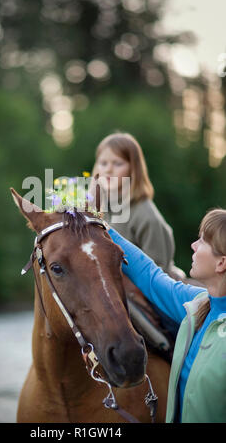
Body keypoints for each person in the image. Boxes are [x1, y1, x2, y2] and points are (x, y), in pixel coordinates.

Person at [108, 208, 226, 423]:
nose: (193, 245)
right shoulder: (198, 302)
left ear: (221, 263)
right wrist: (103, 229)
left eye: (202, 241)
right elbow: (150, 276)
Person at [92, 132, 184, 337]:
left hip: (148, 295)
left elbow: (157, 272)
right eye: (103, 162)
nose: (108, 169)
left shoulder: (146, 214)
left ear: (133, 169)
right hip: (109, 291)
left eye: (117, 163)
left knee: (166, 338)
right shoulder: (97, 208)